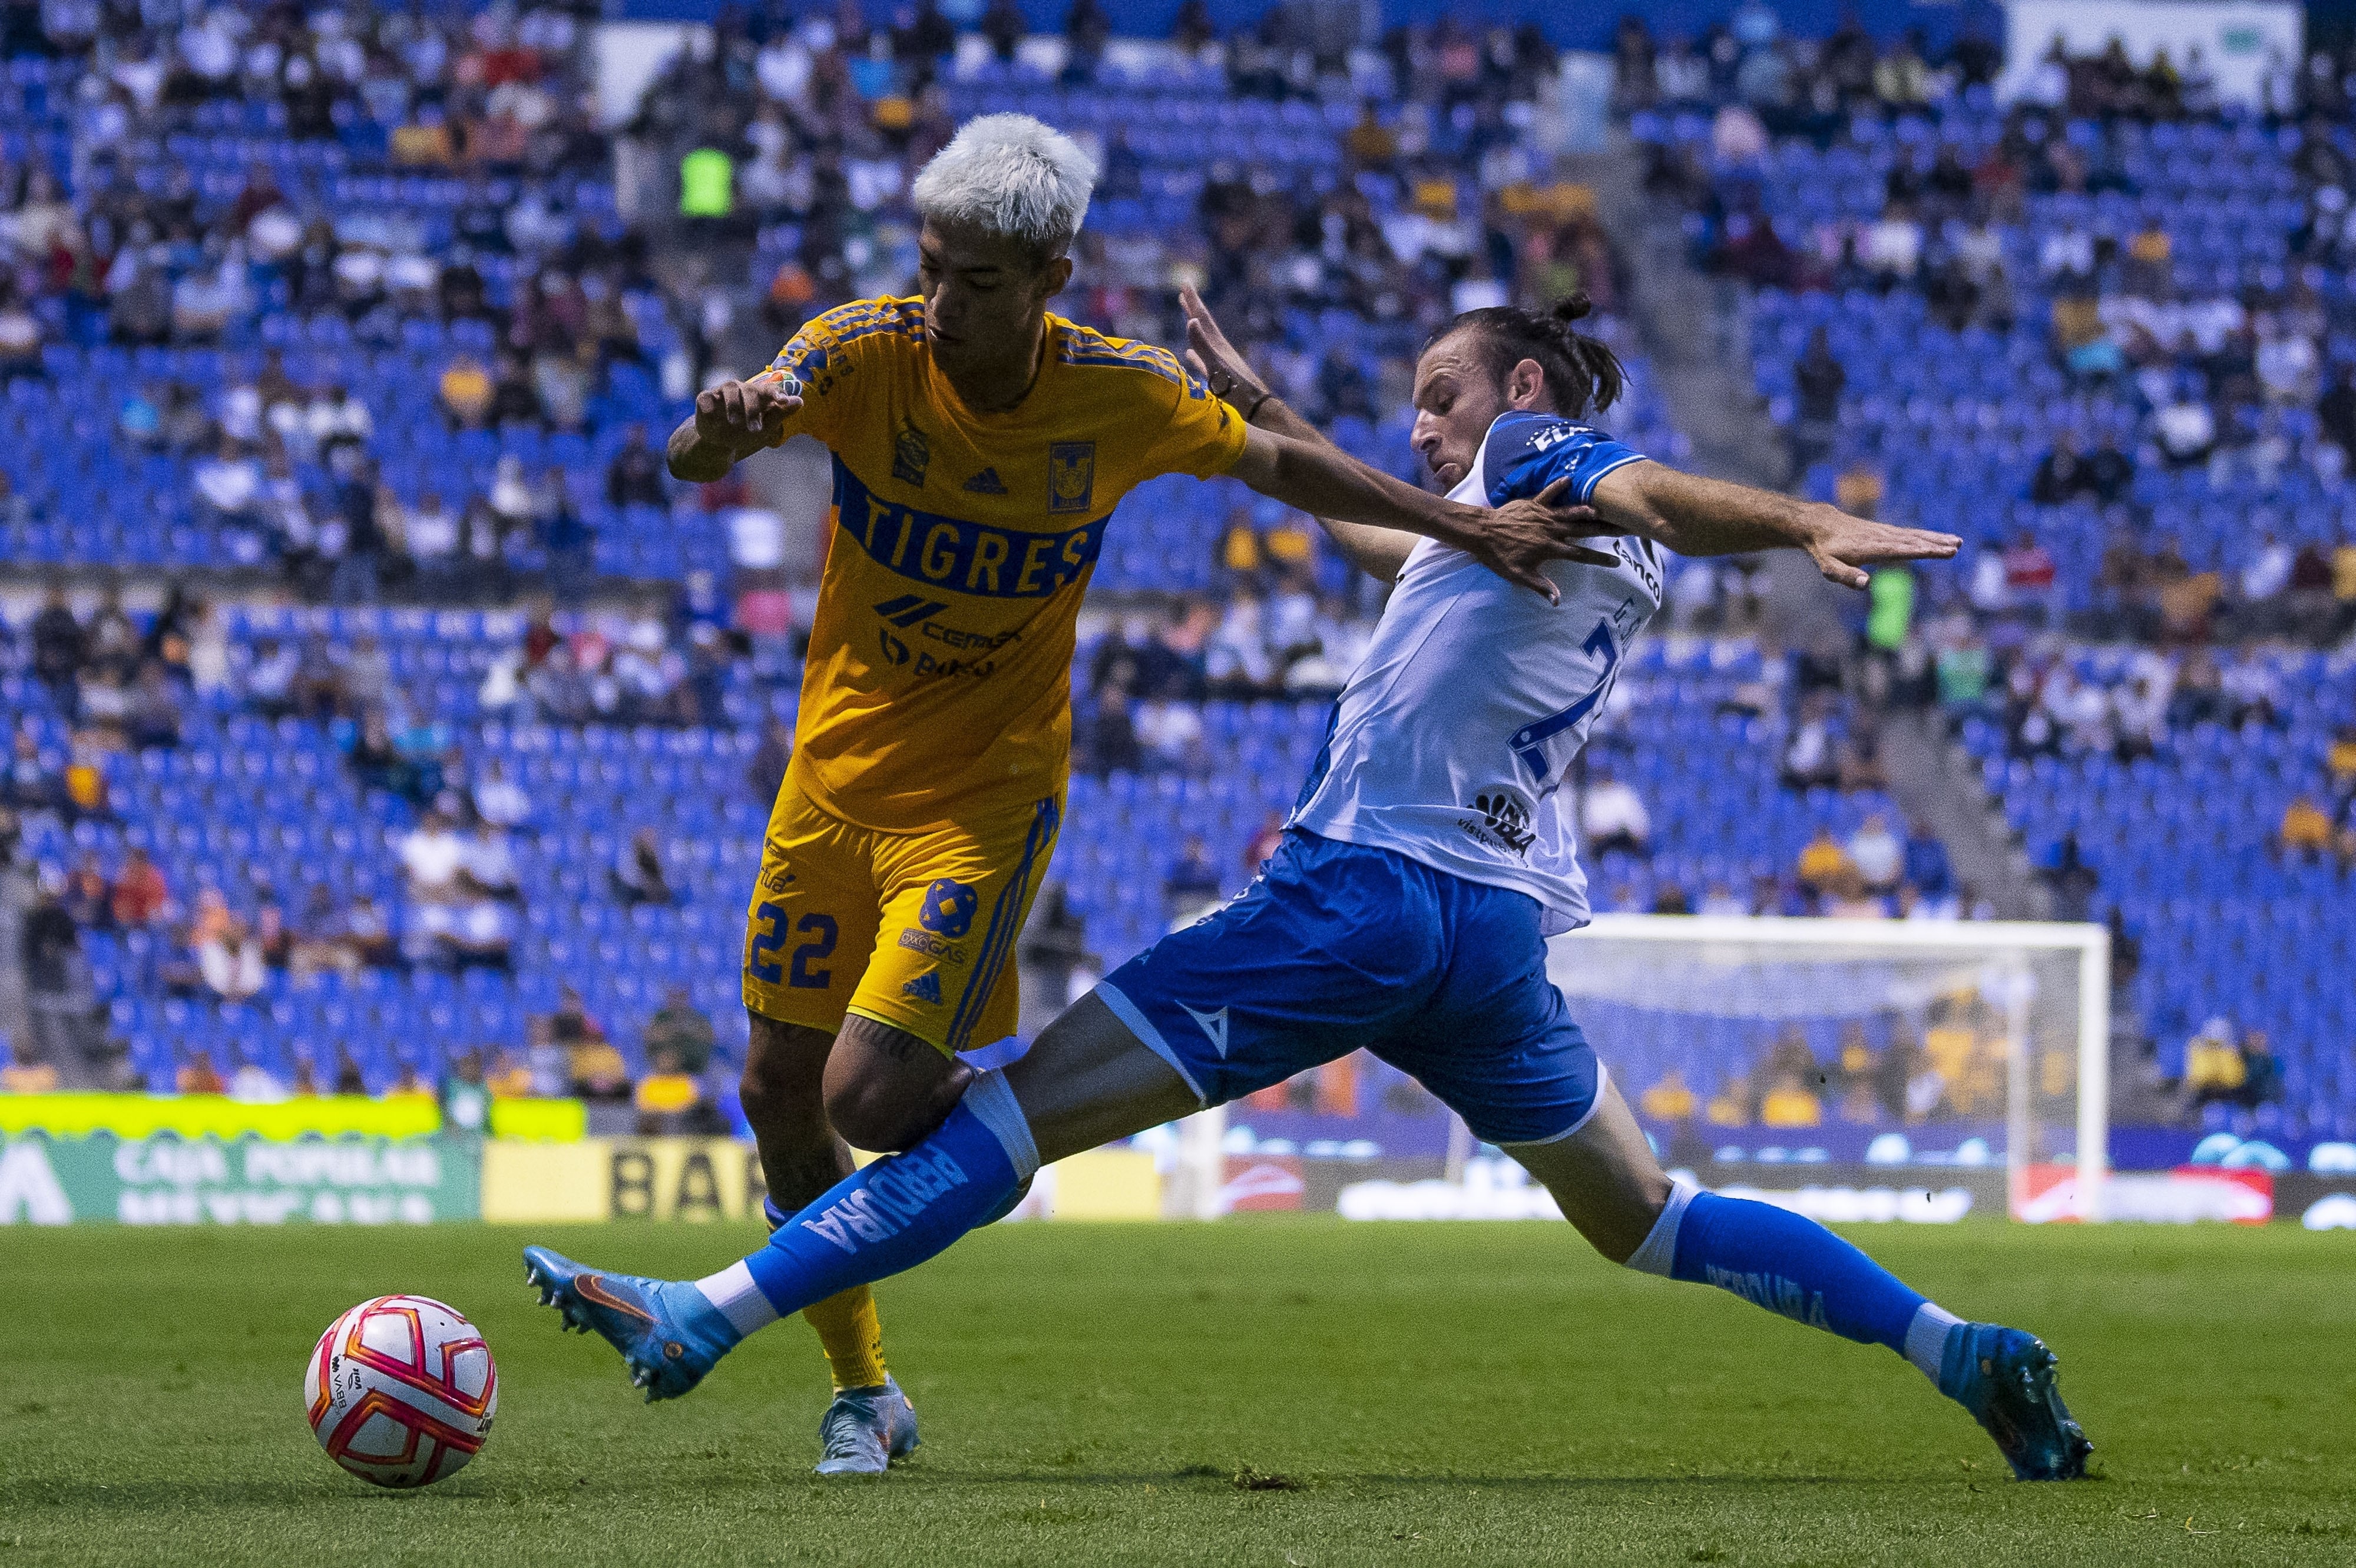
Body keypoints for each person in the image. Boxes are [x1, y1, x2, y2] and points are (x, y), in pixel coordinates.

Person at [524, 293, 2083, 1484]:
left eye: (1439, 395)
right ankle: (1960, 1348)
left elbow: (1656, 489)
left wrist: (1804, 519)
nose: (1423, 428)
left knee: (1008, 1118)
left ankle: (706, 1313)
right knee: (1646, 1213)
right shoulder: (1508, 546)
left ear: (1519, 391)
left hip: (1359, 895)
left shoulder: (1541, 455)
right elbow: (1375, 535)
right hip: (1488, 936)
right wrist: (1255, 403)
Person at [625, 114, 1604, 1474]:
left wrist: (1459, 521)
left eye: (975, 281)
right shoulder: (858, 351)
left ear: (1051, 278)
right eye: (929, 269)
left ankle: (1009, 1122)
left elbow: (1279, 465)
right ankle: (863, 1386)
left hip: (981, 801)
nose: (939, 304)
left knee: (864, 1100)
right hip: (826, 788)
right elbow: (705, 447)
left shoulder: (1120, 393)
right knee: (774, 1087)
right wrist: (713, 429)